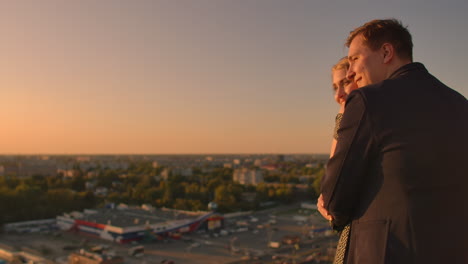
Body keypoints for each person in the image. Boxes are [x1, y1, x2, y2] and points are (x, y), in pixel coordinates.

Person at [318, 19, 468, 264]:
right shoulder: (460, 103)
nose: (350, 72)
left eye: (355, 59)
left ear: (386, 52)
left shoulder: (368, 100)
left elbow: (335, 202)